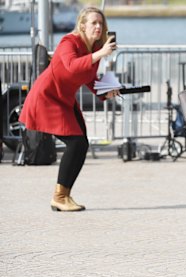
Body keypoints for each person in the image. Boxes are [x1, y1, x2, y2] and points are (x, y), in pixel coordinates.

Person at [19, 7, 119, 212]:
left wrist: (105, 92)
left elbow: (89, 77)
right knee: (76, 144)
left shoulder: (93, 50)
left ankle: (64, 195)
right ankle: (59, 196)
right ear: (82, 25)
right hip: (47, 97)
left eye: (101, 23)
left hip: (64, 99)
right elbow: (72, 66)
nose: (98, 27)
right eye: (93, 23)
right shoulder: (69, 42)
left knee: (81, 145)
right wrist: (101, 52)